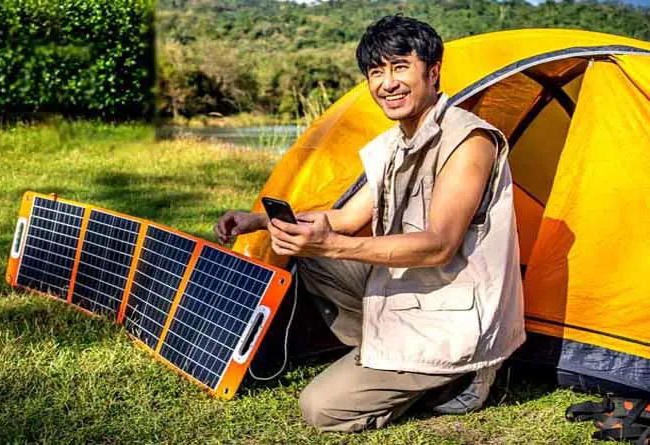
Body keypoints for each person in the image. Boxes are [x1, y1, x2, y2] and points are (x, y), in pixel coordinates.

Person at [214, 15, 525, 432]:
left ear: (432, 72)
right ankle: (391, 357)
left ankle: (462, 375)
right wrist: (260, 220)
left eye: (400, 67)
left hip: (455, 315)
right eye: (376, 72)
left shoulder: (469, 140)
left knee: (322, 408)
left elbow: (438, 245)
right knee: (312, 261)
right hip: (416, 293)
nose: (387, 83)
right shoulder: (395, 144)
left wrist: (331, 245)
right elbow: (346, 217)